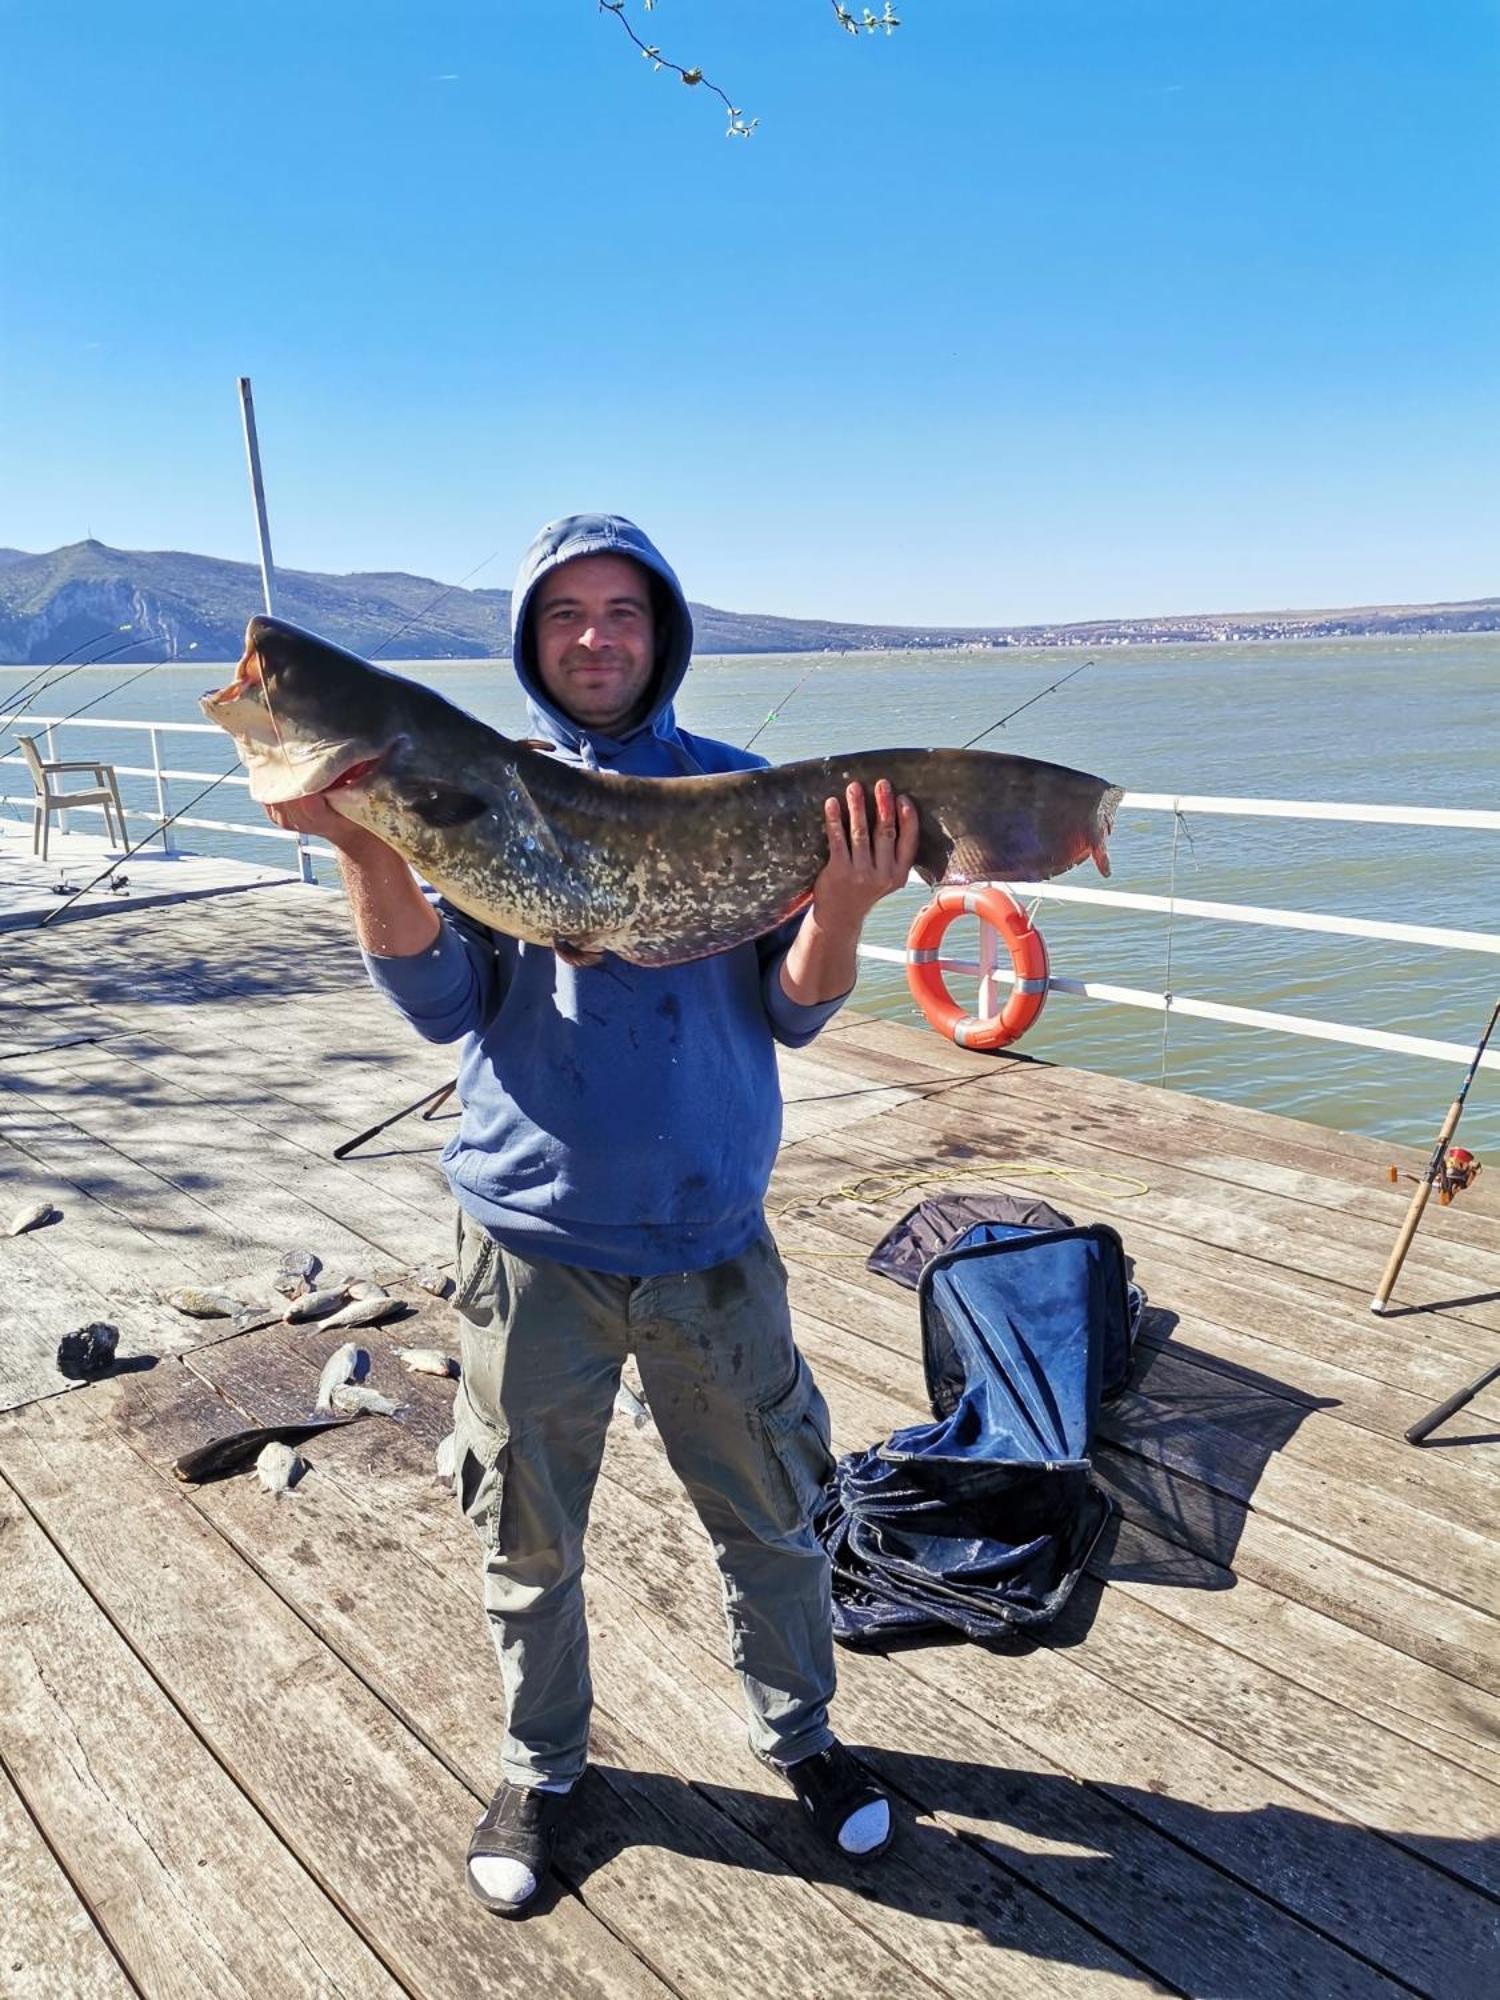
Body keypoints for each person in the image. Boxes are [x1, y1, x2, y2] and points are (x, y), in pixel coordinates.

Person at [266, 515, 920, 1917]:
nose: (597, 637)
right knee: (526, 1530)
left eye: (623, 611)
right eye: (566, 615)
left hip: (711, 1243)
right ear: (531, 639)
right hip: (530, 1246)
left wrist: (848, 903)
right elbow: (442, 1003)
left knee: (773, 1515)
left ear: (664, 631)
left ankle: (805, 1738)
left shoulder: (745, 793)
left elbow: (794, 1012)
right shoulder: (474, 789)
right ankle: (544, 1763)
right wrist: (366, 840)